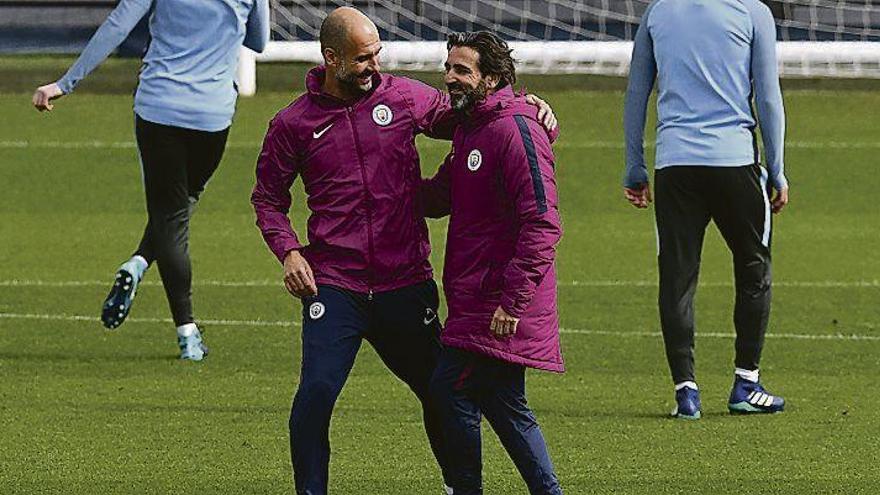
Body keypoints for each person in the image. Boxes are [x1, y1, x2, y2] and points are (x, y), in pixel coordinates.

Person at [251, 8, 556, 494]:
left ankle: (460, 487)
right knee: (316, 393)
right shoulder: (292, 124)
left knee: (442, 392)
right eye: (363, 58)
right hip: (335, 284)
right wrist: (289, 251)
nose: (376, 65)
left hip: (405, 283)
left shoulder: (403, 97)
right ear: (332, 59)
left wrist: (523, 108)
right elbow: (268, 198)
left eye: (377, 53)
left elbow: (474, 114)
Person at [31, 0, 270, 361]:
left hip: (159, 106)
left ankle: (183, 328)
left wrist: (66, 83)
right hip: (212, 115)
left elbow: (118, 25)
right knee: (180, 206)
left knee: (170, 213)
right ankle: (145, 269)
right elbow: (259, 42)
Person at [623, 0, 789, 418]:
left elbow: (636, 93)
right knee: (754, 268)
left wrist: (634, 165)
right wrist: (779, 170)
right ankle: (746, 383)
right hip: (734, 162)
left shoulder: (658, 12)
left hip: (675, 166)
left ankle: (686, 393)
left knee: (677, 276)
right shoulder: (752, 12)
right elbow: (768, 96)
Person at [422, 31, 564, 495]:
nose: (450, 78)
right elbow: (440, 195)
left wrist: (513, 301)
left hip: (498, 305)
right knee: (504, 403)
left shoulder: (515, 130)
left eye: (462, 70)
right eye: (449, 68)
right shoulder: (472, 128)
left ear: (494, 78)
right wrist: (380, 182)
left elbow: (543, 223)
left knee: (448, 388)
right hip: (478, 299)